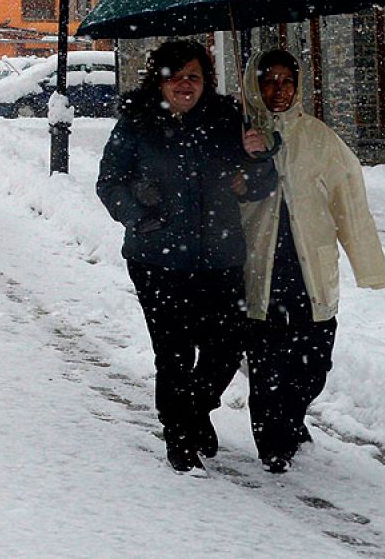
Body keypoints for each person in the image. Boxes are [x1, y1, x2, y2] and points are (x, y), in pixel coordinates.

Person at [97, 39, 275, 473]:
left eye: (193, 76)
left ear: (206, 81)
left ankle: (193, 412)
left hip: (220, 257)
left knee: (226, 349)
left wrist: (256, 159)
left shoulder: (225, 119)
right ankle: (178, 434)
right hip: (157, 259)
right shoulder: (137, 123)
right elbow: (110, 183)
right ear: (158, 80)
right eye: (174, 77)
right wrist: (140, 217)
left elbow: (257, 186)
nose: (184, 85)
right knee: (174, 352)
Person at [240, 48, 385, 474]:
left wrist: (368, 265)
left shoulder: (320, 139)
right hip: (260, 269)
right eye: (269, 80)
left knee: (313, 362)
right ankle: (274, 444)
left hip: (310, 271)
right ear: (256, 84)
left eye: (287, 81)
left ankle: (290, 417)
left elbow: (350, 202)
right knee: (268, 364)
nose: (279, 90)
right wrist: (248, 156)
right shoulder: (239, 133)